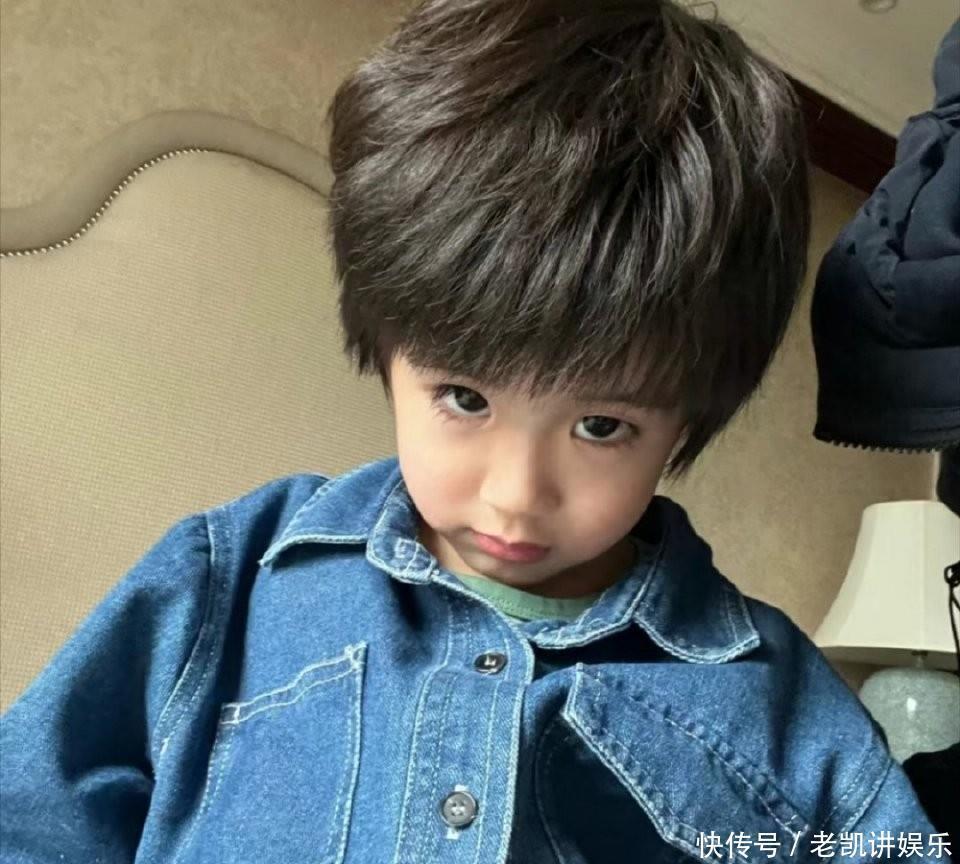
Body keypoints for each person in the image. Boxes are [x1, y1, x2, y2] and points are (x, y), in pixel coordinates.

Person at [0, 1, 946, 862]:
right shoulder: (232, 581)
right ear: (386, 351)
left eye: (602, 425)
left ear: (688, 418)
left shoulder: (786, 710)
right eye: (464, 398)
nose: (515, 495)